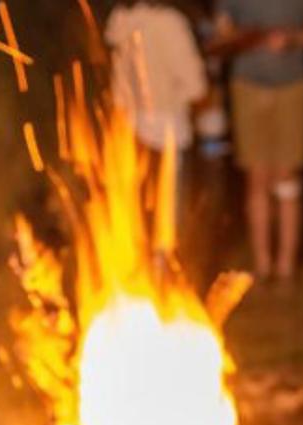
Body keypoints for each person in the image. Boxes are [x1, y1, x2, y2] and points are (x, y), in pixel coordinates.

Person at [209, 0, 303, 282]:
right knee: (257, 175)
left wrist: (292, 38)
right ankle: (263, 263)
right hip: (248, 86)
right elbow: (220, 38)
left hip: (293, 87)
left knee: (287, 175)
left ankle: (286, 265)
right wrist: (248, 37)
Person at [106, 0, 208, 246]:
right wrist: (178, 97)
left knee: (138, 211)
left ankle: (142, 272)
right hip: (169, 129)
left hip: (132, 129)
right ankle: (166, 274)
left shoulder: (121, 22)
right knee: (170, 212)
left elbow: (119, 87)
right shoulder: (170, 23)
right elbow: (196, 86)